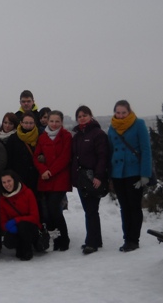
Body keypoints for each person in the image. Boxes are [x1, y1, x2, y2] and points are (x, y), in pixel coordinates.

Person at [108, 100, 152, 253]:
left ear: (129, 112)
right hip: (118, 173)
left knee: (134, 206)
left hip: (134, 173)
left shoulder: (138, 124)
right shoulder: (112, 126)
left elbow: (146, 150)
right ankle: (127, 238)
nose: (120, 116)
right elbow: (110, 150)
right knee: (124, 207)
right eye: (117, 113)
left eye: (123, 113)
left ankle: (134, 240)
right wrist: (109, 174)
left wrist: (145, 174)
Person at [71, 105, 110, 255]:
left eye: (84, 115)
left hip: (93, 177)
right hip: (82, 178)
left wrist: (99, 176)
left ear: (90, 116)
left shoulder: (98, 134)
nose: (82, 118)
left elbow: (103, 156)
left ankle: (92, 243)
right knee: (89, 210)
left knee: (91, 210)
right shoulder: (77, 136)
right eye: (79, 116)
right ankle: (95, 239)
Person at [33, 110, 72, 251]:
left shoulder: (66, 136)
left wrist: (50, 171)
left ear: (61, 122)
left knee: (54, 208)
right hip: (45, 178)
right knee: (47, 211)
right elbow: (36, 156)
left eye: (57, 121)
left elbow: (65, 157)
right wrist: (43, 170)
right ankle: (54, 238)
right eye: (51, 121)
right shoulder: (42, 137)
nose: (54, 124)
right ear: (47, 121)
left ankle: (64, 238)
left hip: (60, 178)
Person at [0, 170, 41, 261]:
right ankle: (19, 246)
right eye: (4, 182)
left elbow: (35, 217)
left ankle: (28, 248)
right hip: (15, 228)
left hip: (30, 227)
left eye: (9, 181)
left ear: (15, 180)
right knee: (8, 242)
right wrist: (8, 227)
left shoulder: (27, 192)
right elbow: (3, 222)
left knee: (23, 225)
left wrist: (16, 220)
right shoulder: (3, 199)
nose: (7, 184)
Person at [5, 112, 40, 195]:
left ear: (34, 123)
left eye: (31, 123)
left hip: (35, 176)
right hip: (18, 176)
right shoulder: (13, 138)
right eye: (26, 123)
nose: (28, 125)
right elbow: (9, 159)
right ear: (21, 123)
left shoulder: (39, 136)